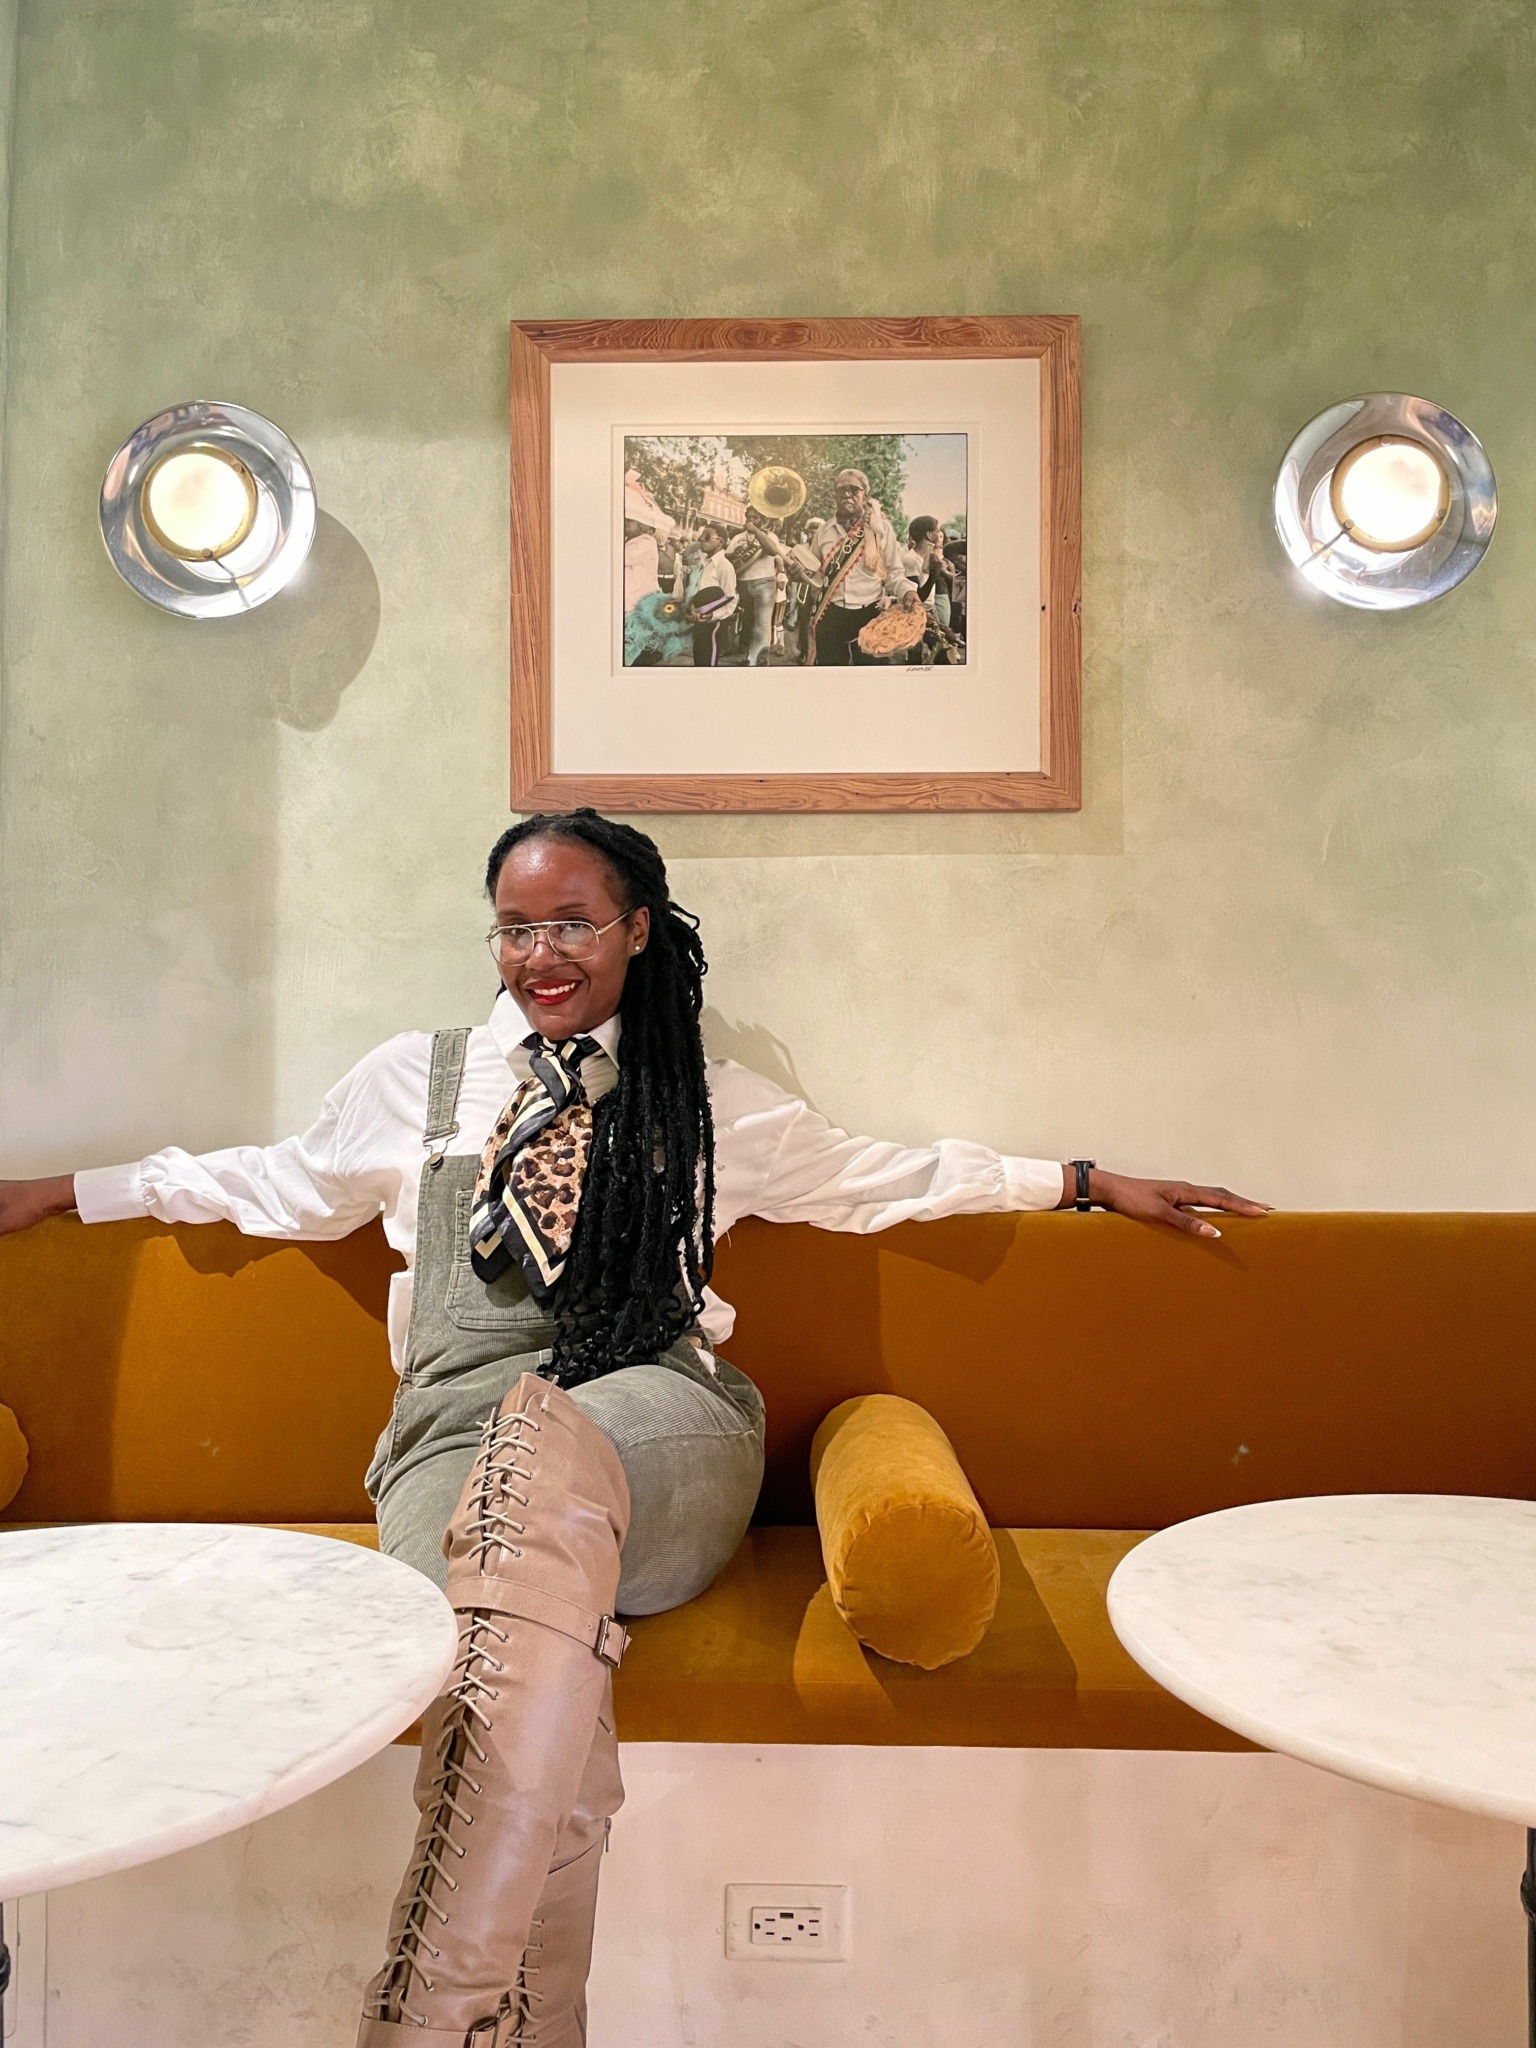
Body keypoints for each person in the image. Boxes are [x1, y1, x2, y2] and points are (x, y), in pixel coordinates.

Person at [0, 810, 1268, 2048]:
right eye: (513, 929)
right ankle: (505, 2023)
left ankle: (434, 2008)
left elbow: (883, 1176)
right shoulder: (412, 1083)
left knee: (536, 1472)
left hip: (660, 1426)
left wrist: (1082, 1180)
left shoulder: (704, 1098)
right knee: (515, 1622)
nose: (540, 954)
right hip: (449, 1441)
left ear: (638, 928)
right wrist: (66, 1190)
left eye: (573, 922)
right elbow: (271, 1180)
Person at [808, 469, 924, 665]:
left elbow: (894, 572)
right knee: (831, 675)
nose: (847, 494)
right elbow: (814, 572)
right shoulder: (823, 531)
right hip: (831, 614)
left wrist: (907, 592)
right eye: (841, 490)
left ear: (865, 495)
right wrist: (800, 574)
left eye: (854, 490)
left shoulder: (882, 529)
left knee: (872, 674)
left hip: (870, 614)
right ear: (835, 495)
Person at [733, 507, 787, 666]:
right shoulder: (738, 537)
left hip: (764, 583)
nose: (750, 520)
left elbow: (772, 550)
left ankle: (762, 661)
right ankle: (751, 658)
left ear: (762, 520)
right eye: (748, 517)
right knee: (749, 623)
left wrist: (756, 531)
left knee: (762, 624)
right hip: (744, 583)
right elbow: (730, 557)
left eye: (755, 517)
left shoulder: (770, 537)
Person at [687, 525, 737, 667]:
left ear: (720, 542)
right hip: (699, 621)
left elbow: (730, 597)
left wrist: (711, 615)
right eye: (701, 535)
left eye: (707, 536)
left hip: (714, 624)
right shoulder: (704, 563)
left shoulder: (724, 566)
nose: (701, 539)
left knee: (709, 662)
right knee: (699, 658)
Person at [621, 519, 660, 616]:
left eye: (630, 521)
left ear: (641, 524)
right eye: (626, 520)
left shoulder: (647, 542)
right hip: (629, 596)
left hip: (640, 597)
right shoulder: (628, 539)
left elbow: (627, 558)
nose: (626, 523)